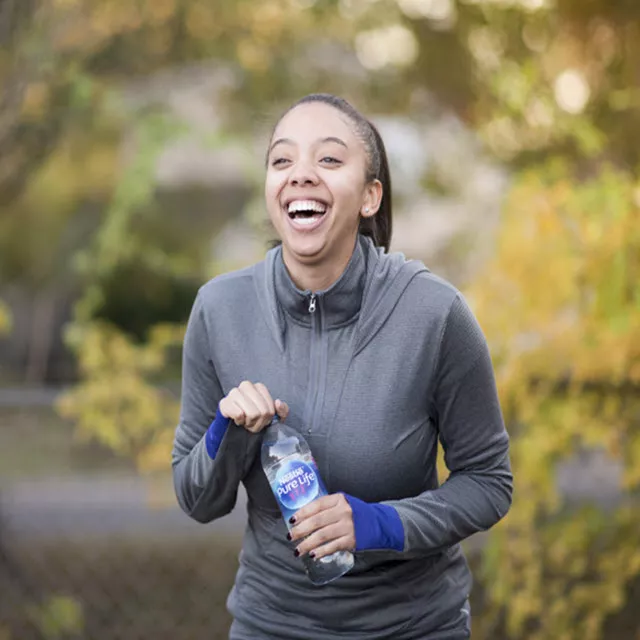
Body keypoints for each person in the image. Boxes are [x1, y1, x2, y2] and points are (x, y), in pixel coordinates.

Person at [172, 93, 513, 639]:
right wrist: (227, 432)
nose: (301, 174)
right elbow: (197, 499)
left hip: (413, 626)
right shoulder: (220, 309)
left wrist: (378, 523)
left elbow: (489, 482)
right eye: (282, 161)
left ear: (370, 196)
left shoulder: (433, 314)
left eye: (329, 160)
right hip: (271, 625)